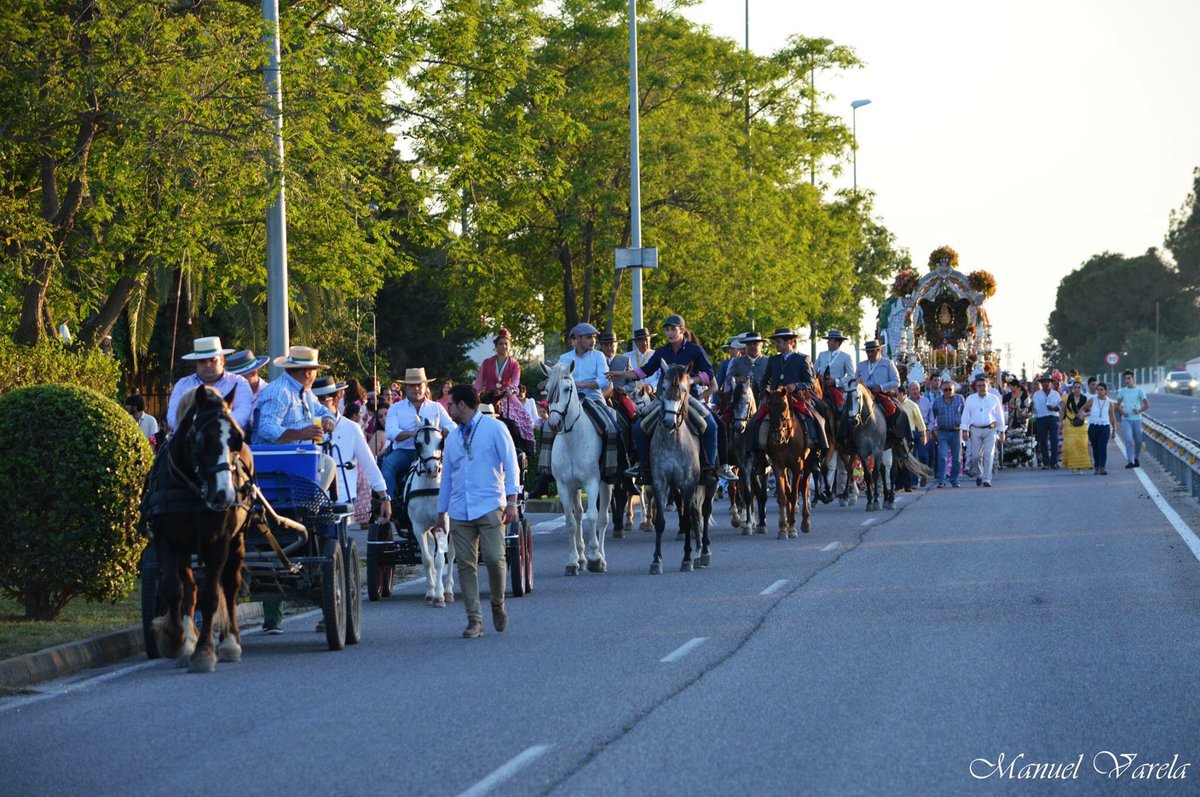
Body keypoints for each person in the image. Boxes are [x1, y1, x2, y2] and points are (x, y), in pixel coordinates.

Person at [250, 345, 341, 634]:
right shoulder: (279, 392)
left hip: (296, 465)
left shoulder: (304, 393)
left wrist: (327, 419)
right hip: (279, 470)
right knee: (328, 465)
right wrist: (302, 433)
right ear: (306, 372)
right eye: (313, 370)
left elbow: (323, 412)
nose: (314, 375)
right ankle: (322, 515)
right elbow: (266, 430)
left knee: (323, 462)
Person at [609, 315, 736, 483]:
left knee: (714, 425)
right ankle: (642, 465)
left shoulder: (695, 350)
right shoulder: (662, 352)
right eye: (667, 330)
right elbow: (644, 371)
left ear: (682, 330)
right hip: (665, 399)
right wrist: (622, 374)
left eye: (672, 329)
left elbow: (708, 373)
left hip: (688, 397)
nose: (669, 333)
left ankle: (714, 468)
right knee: (639, 426)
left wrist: (690, 381)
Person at [438, 385, 520, 639]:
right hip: (460, 509)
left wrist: (512, 499)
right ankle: (474, 620)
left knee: (495, 559)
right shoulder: (451, 438)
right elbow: (447, 478)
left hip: (489, 504)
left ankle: (497, 603)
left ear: (462, 405)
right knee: (465, 564)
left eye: (450, 404)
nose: (448, 408)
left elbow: (511, 461)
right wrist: (442, 511)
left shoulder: (494, 428)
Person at [540, 322, 624, 482]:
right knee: (546, 427)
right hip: (568, 403)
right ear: (577, 339)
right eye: (588, 337)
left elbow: (604, 381)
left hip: (594, 399)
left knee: (612, 427)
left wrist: (580, 384)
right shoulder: (564, 358)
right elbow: (558, 380)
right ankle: (545, 474)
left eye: (593, 337)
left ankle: (615, 469)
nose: (593, 341)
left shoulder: (598, 356)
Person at [381, 368, 456, 498]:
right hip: (405, 451)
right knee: (388, 464)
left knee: (456, 465)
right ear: (405, 387)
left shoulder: (436, 407)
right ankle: (390, 504)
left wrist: (444, 431)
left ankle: (454, 503)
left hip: (432, 453)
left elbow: (453, 425)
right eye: (411, 385)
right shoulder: (395, 408)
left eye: (419, 385)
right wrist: (412, 434)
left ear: (425, 386)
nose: (416, 388)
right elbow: (390, 432)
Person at [166, 336, 253, 432]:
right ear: (196, 363)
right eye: (202, 361)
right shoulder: (182, 385)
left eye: (213, 360)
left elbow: (243, 412)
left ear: (222, 360)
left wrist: (213, 426)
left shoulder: (239, 382)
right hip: (191, 442)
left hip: (230, 443)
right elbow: (172, 417)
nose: (208, 364)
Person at [474, 327, 535, 450]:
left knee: (520, 420)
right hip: (489, 396)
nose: (503, 346)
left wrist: (511, 389)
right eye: (500, 344)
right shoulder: (487, 363)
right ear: (496, 346)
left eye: (506, 344)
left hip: (507, 397)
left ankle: (519, 449)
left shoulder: (514, 364)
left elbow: (516, 380)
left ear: (510, 346)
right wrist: (473, 393)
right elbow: (479, 382)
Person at [960, 375, 1006, 487]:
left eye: (983, 385)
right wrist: (964, 430)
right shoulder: (970, 399)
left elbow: (1000, 416)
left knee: (988, 455)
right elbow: (965, 415)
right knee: (975, 456)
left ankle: (987, 479)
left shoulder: (994, 398)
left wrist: (1002, 431)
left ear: (988, 386)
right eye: (979, 386)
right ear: (976, 387)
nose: (981, 388)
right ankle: (979, 474)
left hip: (990, 429)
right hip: (975, 429)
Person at [931, 381, 965, 487]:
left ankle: (954, 479)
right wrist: (933, 430)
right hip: (943, 432)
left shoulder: (960, 399)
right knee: (942, 456)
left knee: (956, 458)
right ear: (942, 390)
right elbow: (932, 416)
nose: (948, 392)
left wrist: (965, 429)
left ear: (954, 389)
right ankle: (941, 480)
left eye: (950, 389)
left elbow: (965, 414)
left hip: (956, 431)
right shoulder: (937, 402)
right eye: (945, 390)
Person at [899, 381, 930, 490]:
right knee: (910, 459)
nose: (916, 391)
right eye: (913, 389)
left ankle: (924, 475)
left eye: (917, 389)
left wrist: (924, 435)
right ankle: (913, 482)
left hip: (915, 433)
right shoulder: (895, 405)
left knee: (923, 456)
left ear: (903, 394)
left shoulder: (912, 405)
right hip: (904, 436)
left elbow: (920, 421)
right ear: (909, 391)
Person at [1116, 370, 1150, 468]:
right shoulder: (1122, 391)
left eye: (1129, 378)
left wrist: (1139, 411)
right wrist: (1123, 412)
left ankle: (1136, 458)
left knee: (1139, 441)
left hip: (1137, 419)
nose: (1127, 380)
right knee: (1129, 440)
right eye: (1125, 379)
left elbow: (1147, 405)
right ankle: (1130, 461)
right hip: (1126, 419)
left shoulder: (1139, 391)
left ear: (1133, 378)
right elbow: (1117, 406)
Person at [1031, 374, 1063, 470]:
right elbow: (1033, 409)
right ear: (1042, 383)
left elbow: (1060, 408)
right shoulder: (1036, 395)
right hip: (1041, 418)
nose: (1046, 384)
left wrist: (1053, 408)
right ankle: (1046, 462)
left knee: (1054, 439)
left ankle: (1054, 462)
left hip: (1053, 418)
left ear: (1051, 383)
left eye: (1048, 382)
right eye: (1044, 382)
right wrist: (1031, 407)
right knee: (1043, 441)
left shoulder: (1055, 394)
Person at [1060, 381, 1092, 473]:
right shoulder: (1066, 398)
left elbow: (1090, 411)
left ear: (1081, 389)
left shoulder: (1085, 399)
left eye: (1079, 387)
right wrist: (1060, 421)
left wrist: (1084, 414)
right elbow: (1062, 411)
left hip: (1081, 425)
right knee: (1071, 445)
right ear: (1072, 389)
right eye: (1075, 387)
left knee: (1081, 445)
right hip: (1069, 423)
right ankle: (1073, 465)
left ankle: (1080, 467)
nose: (1077, 389)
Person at [1087, 382, 1118, 475]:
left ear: (1106, 391)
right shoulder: (1092, 400)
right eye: (1098, 390)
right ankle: (1097, 466)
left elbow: (1112, 418)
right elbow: (1083, 408)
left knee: (1102, 446)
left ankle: (1102, 467)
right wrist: (1082, 414)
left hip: (1105, 426)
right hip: (1093, 426)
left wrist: (1114, 430)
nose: (1099, 391)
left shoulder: (1110, 403)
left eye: (1101, 390)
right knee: (1095, 447)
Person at [813, 329, 856, 394]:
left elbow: (851, 377)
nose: (827, 342)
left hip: (837, 390)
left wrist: (836, 381)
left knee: (840, 403)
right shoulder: (821, 354)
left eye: (830, 340)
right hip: (819, 389)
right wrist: (819, 376)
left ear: (837, 342)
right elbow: (814, 371)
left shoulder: (846, 357)